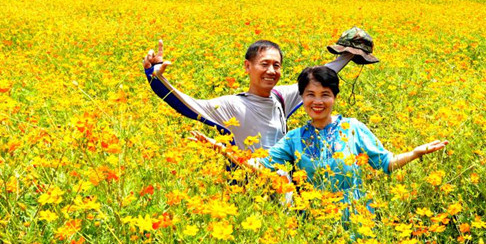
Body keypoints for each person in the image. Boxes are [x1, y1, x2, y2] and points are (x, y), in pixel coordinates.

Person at [193, 65, 447, 210]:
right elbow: (260, 166)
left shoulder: (353, 128)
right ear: (301, 98)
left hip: (357, 215)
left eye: (325, 94)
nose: (318, 101)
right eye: (310, 94)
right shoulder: (294, 139)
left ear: (334, 97)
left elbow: (386, 163)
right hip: (314, 216)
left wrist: (416, 153)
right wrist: (222, 149)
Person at [143, 28, 378, 151]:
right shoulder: (231, 105)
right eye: (264, 64)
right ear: (248, 66)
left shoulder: (281, 96)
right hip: (248, 187)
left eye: (276, 66)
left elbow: (320, 75)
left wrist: (350, 51)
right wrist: (154, 76)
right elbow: (183, 103)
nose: (271, 71)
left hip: (284, 184)